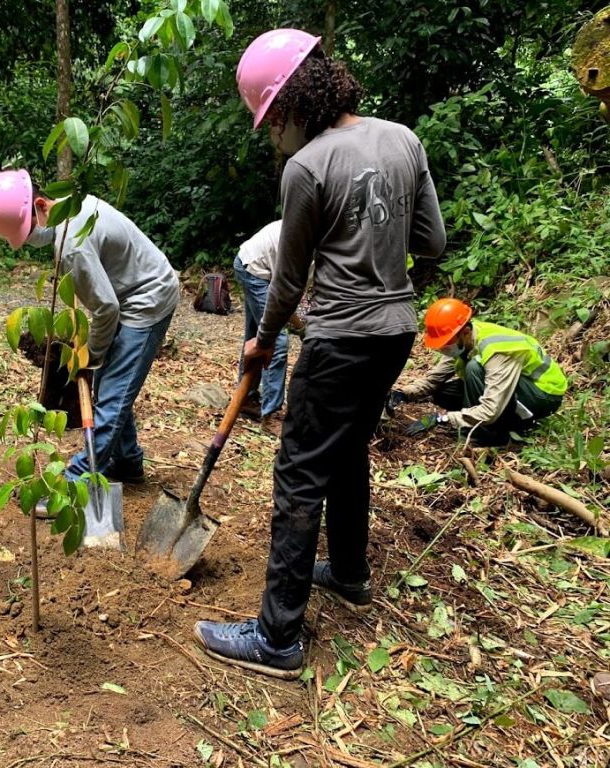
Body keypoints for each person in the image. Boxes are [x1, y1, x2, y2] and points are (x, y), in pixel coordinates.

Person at [193, 28, 447, 677]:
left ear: (288, 106)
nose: (271, 134)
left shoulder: (304, 168)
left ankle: (277, 638)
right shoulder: (404, 139)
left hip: (338, 338)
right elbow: (433, 242)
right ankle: (353, 571)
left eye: (270, 120)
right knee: (348, 449)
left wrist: (264, 337)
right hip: (395, 333)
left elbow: (287, 277)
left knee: (300, 471)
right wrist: (386, 274)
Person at [0, 169, 179, 486]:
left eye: (29, 229)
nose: (30, 238)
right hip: (127, 292)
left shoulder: (72, 244)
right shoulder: (72, 205)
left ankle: (75, 481)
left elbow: (106, 308)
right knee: (111, 388)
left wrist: (92, 356)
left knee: (113, 395)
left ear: (42, 205)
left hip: (147, 299)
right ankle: (127, 463)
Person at [395, 298, 567, 445]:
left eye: (446, 342)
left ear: (466, 332)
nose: (443, 348)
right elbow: (434, 380)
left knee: (473, 368)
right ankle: (487, 421)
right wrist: (403, 394)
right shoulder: (463, 341)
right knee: (443, 393)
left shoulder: (497, 350)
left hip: (542, 396)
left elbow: (491, 409)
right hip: (516, 390)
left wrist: (443, 419)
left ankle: (486, 436)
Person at [234, 220, 290, 431]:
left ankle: (245, 399)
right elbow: (289, 295)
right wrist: (304, 328)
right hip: (254, 267)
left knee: (255, 336)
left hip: (258, 262)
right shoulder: (316, 248)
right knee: (276, 339)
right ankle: (271, 414)